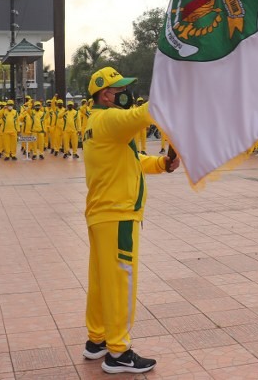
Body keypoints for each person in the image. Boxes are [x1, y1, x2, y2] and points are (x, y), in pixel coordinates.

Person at [82, 66, 179, 374]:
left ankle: (97, 339)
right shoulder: (109, 119)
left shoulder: (97, 123)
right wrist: (171, 89)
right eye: (120, 90)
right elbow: (141, 116)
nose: (125, 95)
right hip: (118, 214)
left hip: (103, 214)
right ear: (105, 95)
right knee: (121, 281)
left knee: (102, 281)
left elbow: (133, 160)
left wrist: (162, 164)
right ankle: (119, 352)